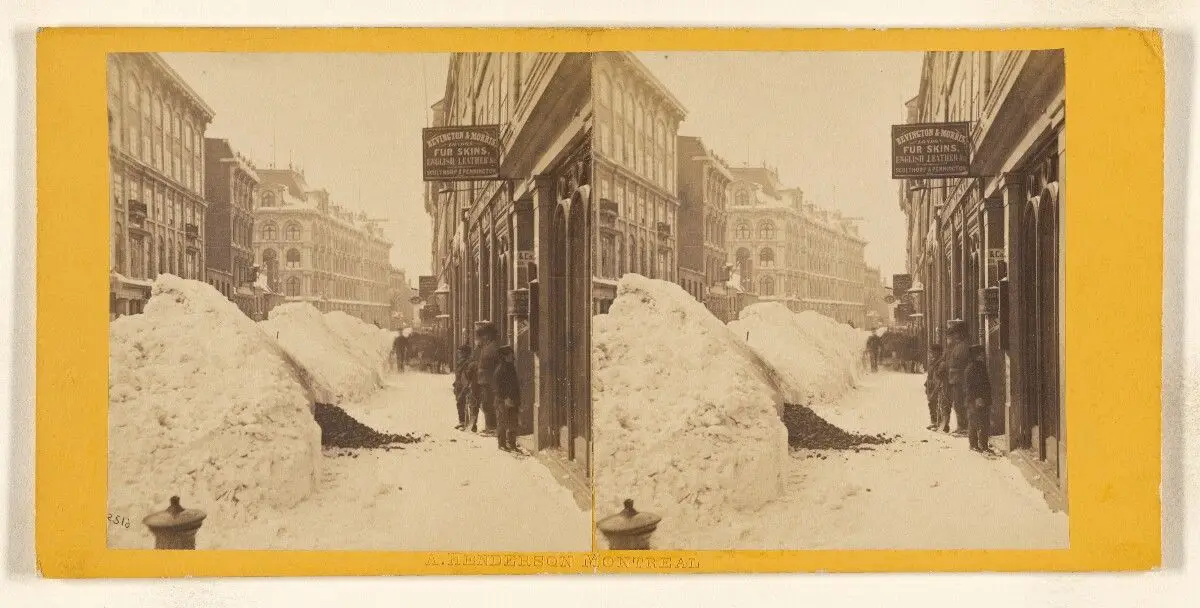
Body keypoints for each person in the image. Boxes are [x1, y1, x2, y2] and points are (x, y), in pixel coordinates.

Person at [963, 344, 993, 452]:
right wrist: (976, 399)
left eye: (981, 354)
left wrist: (986, 399)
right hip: (974, 400)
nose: (981, 356)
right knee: (974, 422)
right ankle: (973, 444)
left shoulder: (981, 366)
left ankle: (984, 445)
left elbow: (986, 384)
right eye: (979, 354)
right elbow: (969, 387)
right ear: (974, 356)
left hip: (984, 399)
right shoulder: (970, 369)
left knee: (984, 423)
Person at [945, 322, 971, 436]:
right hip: (956, 379)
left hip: (960, 380)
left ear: (961, 333)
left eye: (956, 333)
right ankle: (961, 426)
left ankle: (964, 427)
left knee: (960, 403)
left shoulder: (963, 346)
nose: (954, 336)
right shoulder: (959, 345)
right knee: (958, 403)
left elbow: (960, 363)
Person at [474, 322, 500, 436]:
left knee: (488, 404)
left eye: (483, 335)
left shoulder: (492, 347)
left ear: (488, 335)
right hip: (485, 381)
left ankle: (492, 428)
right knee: (486, 404)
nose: (481, 338)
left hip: (490, 382)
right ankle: (490, 427)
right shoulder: (487, 346)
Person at [493, 345, 521, 452]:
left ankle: (512, 443)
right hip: (503, 400)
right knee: (503, 422)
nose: (512, 356)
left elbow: (515, 385)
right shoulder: (500, 369)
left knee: (513, 422)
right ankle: (502, 444)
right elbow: (497, 387)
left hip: (512, 400)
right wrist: (505, 398)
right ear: (505, 356)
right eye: (510, 355)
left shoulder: (510, 367)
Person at [452, 343, 472, 430]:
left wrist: (466, 386)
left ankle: (465, 423)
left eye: (460, 352)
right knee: (460, 403)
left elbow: (466, 376)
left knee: (464, 403)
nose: (459, 354)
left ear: (465, 353)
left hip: (464, 386)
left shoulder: (467, 363)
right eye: (459, 352)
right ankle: (462, 421)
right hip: (459, 385)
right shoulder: (461, 362)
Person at [924, 344, 945, 430]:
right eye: (931, 352)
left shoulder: (941, 362)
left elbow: (939, 376)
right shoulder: (933, 361)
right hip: (931, 385)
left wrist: (937, 385)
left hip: (937, 385)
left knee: (938, 403)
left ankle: (939, 423)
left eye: (933, 352)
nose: (931, 354)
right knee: (931, 404)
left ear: (938, 352)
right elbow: (930, 374)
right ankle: (934, 421)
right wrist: (927, 384)